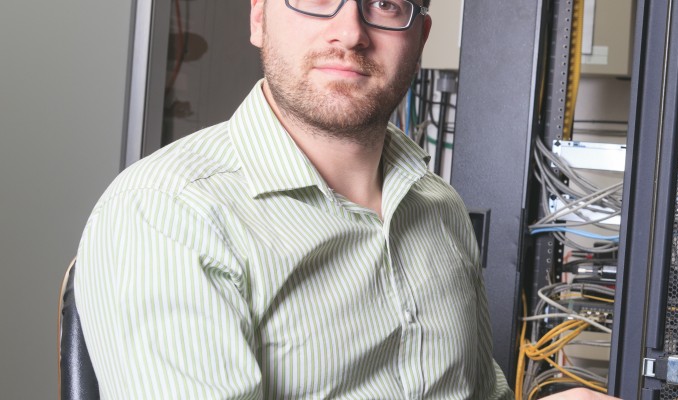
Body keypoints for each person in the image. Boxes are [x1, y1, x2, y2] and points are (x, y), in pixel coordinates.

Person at [74, 0, 618, 398]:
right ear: (259, 16)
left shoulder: (439, 208)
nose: (350, 32)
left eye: (384, 3)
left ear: (420, 34)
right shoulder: (168, 214)